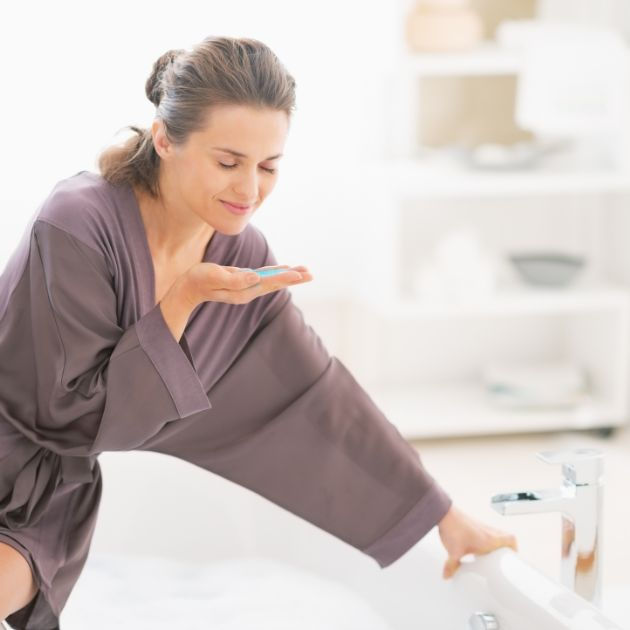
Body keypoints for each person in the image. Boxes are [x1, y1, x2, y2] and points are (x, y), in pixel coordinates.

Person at [0, 36, 517, 629]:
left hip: (50, 498)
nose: (249, 191)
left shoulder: (241, 253)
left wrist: (444, 515)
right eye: (228, 162)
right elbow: (64, 415)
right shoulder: (77, 222)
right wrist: (184, 298)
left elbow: (318, 394)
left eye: (268, 167)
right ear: (165, 138)